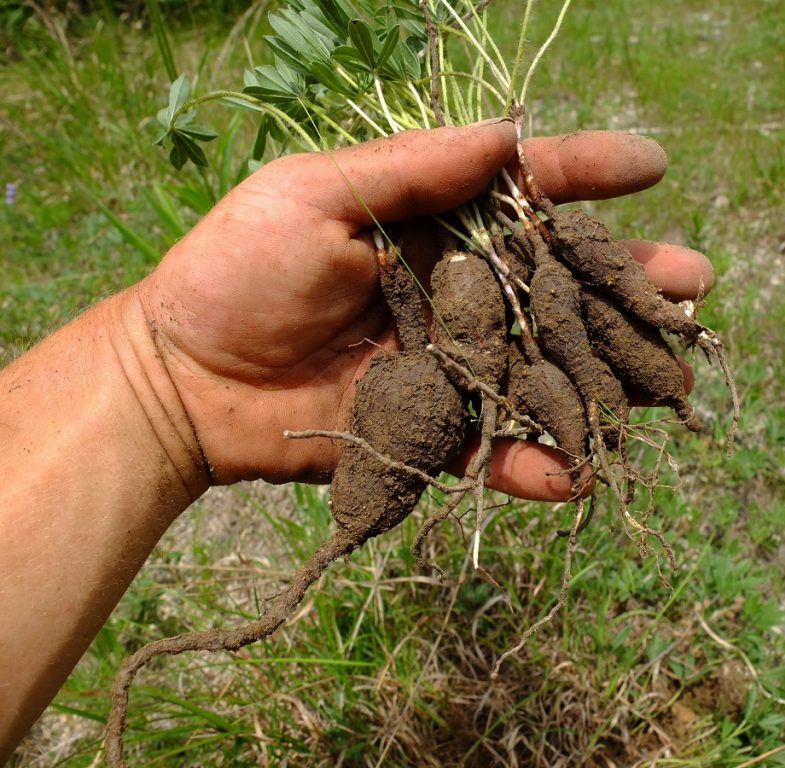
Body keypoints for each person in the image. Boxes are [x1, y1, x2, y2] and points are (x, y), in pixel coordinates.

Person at [0, 121, 714, 758]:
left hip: (476, 297)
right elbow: (424, 315)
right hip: (446, 325)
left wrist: (153, 383)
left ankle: (651, 376)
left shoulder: (495, 301)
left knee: (585, 329)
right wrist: (393, 272)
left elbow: (455, 322)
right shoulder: (436, 349)